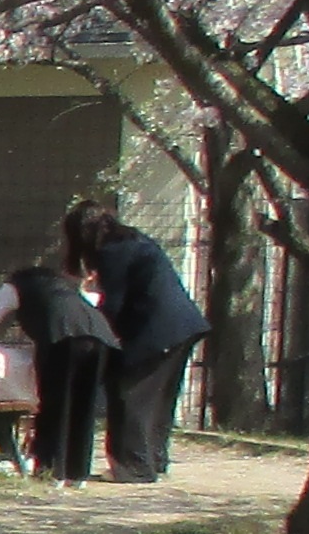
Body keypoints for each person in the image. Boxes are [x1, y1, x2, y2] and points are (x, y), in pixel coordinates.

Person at [68, 197, 207, 482]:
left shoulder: (112, 252)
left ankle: (134, 467)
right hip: (182, 326)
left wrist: (93, 327)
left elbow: (114, 306)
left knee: (129, 393)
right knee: (159, 396)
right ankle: (154, 459)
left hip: (158, 330)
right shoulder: (134, 240)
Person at [0, 245, 116, 484]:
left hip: (62, 337)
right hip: (100, 337)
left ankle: (51, 469)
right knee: (83, 405)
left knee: (54, 403)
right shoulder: (63, 287)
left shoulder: (14, 286)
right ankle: (76, 473)